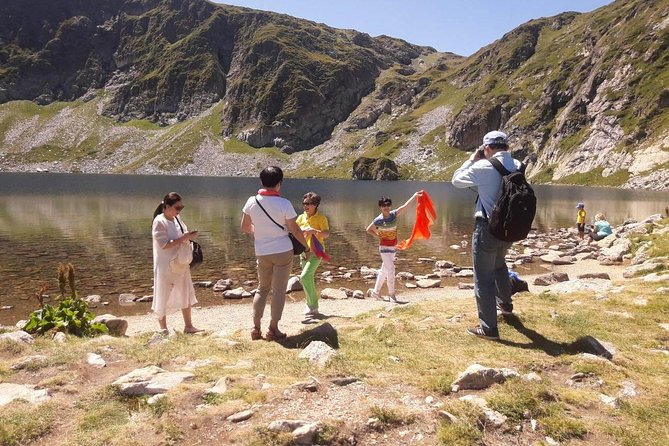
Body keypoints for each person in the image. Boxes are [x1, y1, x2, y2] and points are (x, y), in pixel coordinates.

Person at [451, 130, 522, 341]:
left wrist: (473, 159)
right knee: (499, 264)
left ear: (486, 147)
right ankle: (506, 305)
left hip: (487, 229)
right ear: (507, 146)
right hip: (510, 229)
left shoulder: (483, 166)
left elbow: (456, 180)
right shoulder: (518, 165)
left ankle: (489, 328)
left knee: (483, 278)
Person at [241, 166, 309, 341]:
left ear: (261, 181)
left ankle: (255, 328)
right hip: (282, 251)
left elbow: (245, 227)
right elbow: (294, 229)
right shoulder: (284, 204)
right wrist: (306, 247)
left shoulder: (251, 201)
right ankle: (273, 329)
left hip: (262, 252)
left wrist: (262, 230)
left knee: (262, 288)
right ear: (279, 183)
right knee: (278, 291)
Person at [151, 192, 203, 334]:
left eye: (181, 207)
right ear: (167, 206)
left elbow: (182, 235)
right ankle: (163, 329)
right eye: (177, 207)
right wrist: (184, 238)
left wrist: (188, 237)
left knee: (185, 291)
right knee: (163, 293)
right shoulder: (159, 221)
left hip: (180, 262)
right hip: (165, 264)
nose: (179, 210)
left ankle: (188, 326)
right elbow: (163, 244)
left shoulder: (177, 219)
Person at [366, 191, 422, 303]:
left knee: (384, 271)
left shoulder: (393, 215)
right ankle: (392, 295)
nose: (385, 207)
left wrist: (415, 196)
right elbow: (368, 229)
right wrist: (378, 236)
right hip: (384, 249)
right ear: (380, 207)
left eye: (387, 205)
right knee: (391, 270)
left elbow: (405, 207)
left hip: (393, 248)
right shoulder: (379, 220)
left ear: (390, 205)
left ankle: (375, 293)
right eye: (383, 205)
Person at [296, 192, 330, 317]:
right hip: (303, 253)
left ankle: (313, 306)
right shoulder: (300, 218)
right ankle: (310, 305)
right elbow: (294, 233)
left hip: (317, 252)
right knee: (307, 279)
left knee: (304, 277)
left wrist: (314, 231)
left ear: (315, 205)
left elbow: (326, 234)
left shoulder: (321, 218)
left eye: (308, 204)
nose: (305, 206)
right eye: (304, 203)